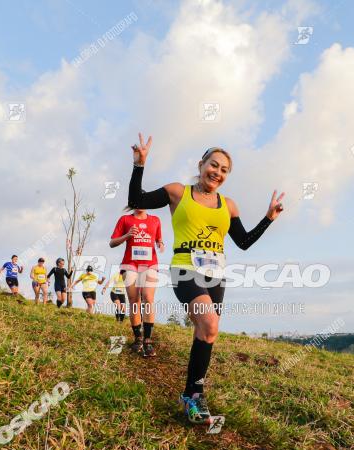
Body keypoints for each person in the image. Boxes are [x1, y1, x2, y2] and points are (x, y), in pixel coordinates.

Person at [128, 133, 284, 424]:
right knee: (210, 323)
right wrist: (140, 165)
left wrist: (268, 218)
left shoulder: (229, 205)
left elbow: (244, 242)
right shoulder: (178, 192)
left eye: (224, 170)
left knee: (208, 332)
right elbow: (137, 199)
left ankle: (191, 395)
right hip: (185, 267)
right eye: (214, 165)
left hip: (216, 274)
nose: (218, 172)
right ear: (201, 165)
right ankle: (195, 396)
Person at [109, 208, 164, 356]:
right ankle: (138, 338)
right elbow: (112, 243)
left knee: (148, 298)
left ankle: (147, 340)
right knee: (134, 301)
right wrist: (127, 235)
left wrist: (161, 244)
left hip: (150, 263)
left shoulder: (155, 220)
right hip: (130, 264)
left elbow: (159, 238)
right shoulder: (125, 219)